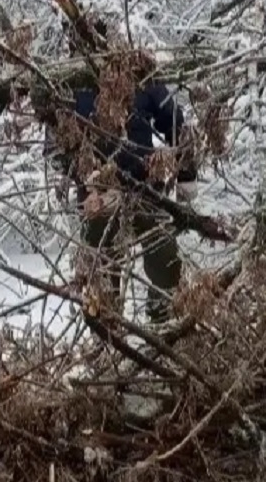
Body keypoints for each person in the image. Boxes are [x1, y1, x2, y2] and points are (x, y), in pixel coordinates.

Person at [54, 19, 197, 323]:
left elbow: (174, 121)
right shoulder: (66, 84)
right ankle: (107, 332)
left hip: (143, 185)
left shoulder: (137, 73)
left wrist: (186, 173)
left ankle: (164, 323)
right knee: (101, 274)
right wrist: (83, 183)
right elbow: (56, 147)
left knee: (164, 257)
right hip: (97, 196)